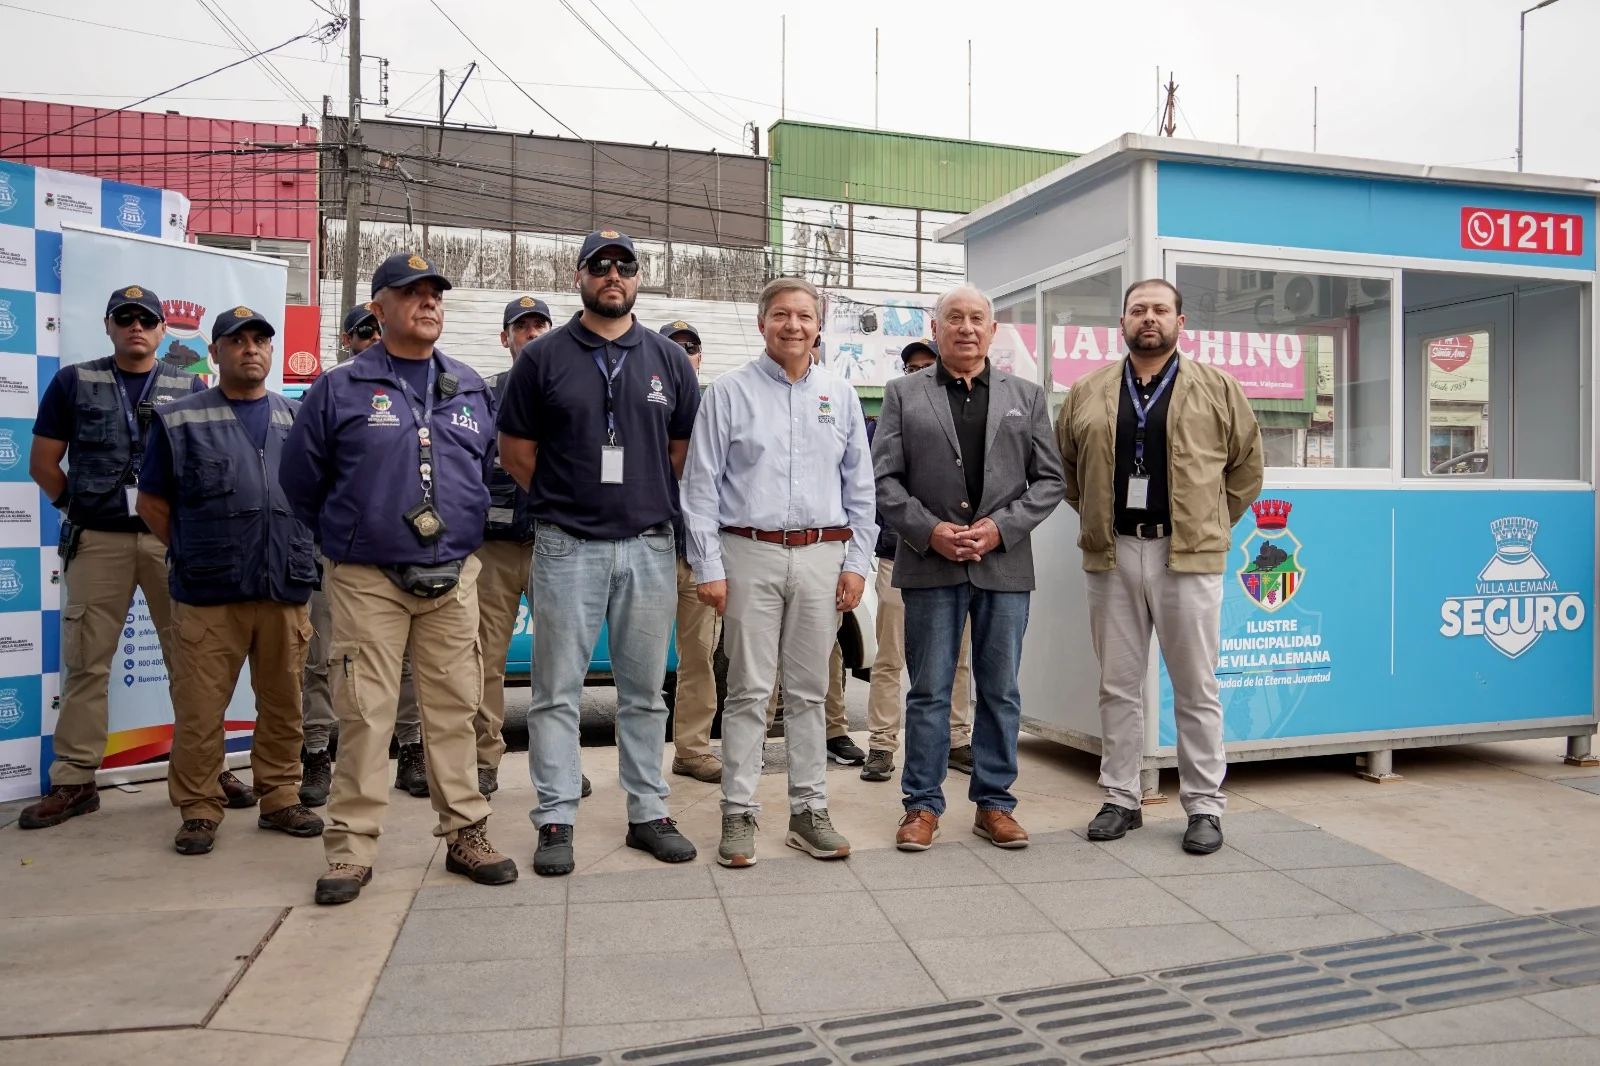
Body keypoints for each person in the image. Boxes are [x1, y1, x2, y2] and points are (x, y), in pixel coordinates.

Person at [282, 252, 518, 904]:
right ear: (379, 308)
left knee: (453, 711)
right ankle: (351, 850)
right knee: (364, 714)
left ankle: (466, 833)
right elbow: (301, 485)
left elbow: (485, 473)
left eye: (435, 294)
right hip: (367, 578)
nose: (428, 303)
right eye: (411, 294)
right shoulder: (340, 388)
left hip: (453, 576)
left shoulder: (470, 387)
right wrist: (353, 539)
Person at [497, 229, 700, 877]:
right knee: (557, 692)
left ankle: (647, 812)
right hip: (566, 546)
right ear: (580, 276)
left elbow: (681, 453)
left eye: (625, 266)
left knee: (645, 692)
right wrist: (567, 502)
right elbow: (515, 452)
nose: (613, 275)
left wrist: (636, 501)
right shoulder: (543, 358)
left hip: (647, 545)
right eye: (599, 266)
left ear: (639, 277)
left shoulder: (667, 359)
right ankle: (556, 815)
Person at [1056, 278, 1263, 855]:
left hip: (1187, 554)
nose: (1149, 318)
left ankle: (1204, 806)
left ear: (1180, 320)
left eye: (1160, 309)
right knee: (1117, 686)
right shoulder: (1090, 390)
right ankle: (1121, 797)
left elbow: (1247, 468)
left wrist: (1209, 523)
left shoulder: (1218, 387)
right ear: (1121, 322)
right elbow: (1069, 471)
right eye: (1138, 309)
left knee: (1196, 687)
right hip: (1114, 550)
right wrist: (1100, 517)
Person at [681, 276, 875, 867]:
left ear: (819, 327)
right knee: (747, 692)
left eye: (805, 317)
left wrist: (857, 563)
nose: (794, 326)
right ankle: (738, 813)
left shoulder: (839, 395)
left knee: (811, 693)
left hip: (821, 556)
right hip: (748, 554)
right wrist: (708, 565)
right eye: (782, 315)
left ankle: (808, 810)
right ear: (763, 323)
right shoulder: (728, 394)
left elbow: (860, 489)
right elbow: (700, 488)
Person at [873, 285, 1065, 852]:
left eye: (976, 318)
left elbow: (1050, 480)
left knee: (1000, 690)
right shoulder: (903, 393)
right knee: (929, 690)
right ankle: (922, 806)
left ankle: (995, 803)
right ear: (935, 328)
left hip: (1003, 567)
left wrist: (1000, 528)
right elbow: (884, 479)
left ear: (993, 328)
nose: (965, 327)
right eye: (953, 318)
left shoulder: (1025, 396)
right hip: (931, 564)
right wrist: (930, 531)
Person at [136, 306, 325, 854]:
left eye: (260, 340)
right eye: (236, 340)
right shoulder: (180, 419)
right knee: (200, 707)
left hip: (284, 586)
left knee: (284, 700)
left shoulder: (299, 417)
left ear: (270, 351)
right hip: (208, 593)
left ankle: (281, 796)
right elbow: (152, 503)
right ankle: (198, 808)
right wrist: (197, 549)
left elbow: (319, 497)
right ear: (214, 352)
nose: (250, 349)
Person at [19, 285, 209, 830]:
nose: (136, 328)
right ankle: (76, 781)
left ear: (161, 330)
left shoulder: (189, 384)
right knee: (85, 663)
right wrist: (76, 507)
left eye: (145, 319)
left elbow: (201, 464)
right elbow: (43, 463)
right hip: (98, 539)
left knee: (194, 664)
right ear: (108, 326)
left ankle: (203, 773)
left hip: (166, 539)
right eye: (124, 318)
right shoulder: (74, 381)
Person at [299, 303, 427, 806]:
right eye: (361, 332)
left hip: (409, 553)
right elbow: (302, 479)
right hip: (345, 557)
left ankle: (411, 749)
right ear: (347, 341)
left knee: (408, 663)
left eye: (377, 328)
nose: (372, 337)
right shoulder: (331, 390)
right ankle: (315, 754)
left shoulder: (421, 388)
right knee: (325, 657)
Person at [861, 339, 977, 783]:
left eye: (926, 366)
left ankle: (958, 739)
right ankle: (882, 745)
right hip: (898, 554)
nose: (918, 373)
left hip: (958, 557)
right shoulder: (893, 413)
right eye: (911, 367)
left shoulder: (964, 416)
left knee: (959, 658)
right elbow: (878, 486)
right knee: (890, 657)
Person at [474, 296, 552, 797]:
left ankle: (558, 760)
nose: (531, 333)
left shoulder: (573, 390)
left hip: (554, 543)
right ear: (505, 338)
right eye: (521, 327)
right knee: (485, 661)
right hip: (495, 547)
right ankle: (484, 760)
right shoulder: (481, 395)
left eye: (540, 325)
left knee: (558, 660)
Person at [662, 320, 724, 784]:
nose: (684, 354)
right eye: (673, 348)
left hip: (698, 554)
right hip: (650, 545)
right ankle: (638, 755)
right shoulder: (644, 404)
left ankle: (692, 749)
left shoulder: (715, 407)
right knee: (638, 663)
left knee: (699, 657)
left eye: (691, 348)